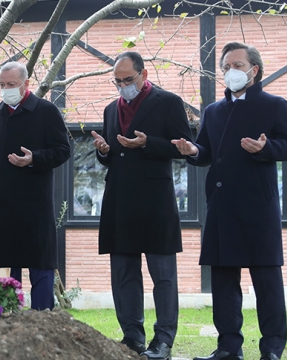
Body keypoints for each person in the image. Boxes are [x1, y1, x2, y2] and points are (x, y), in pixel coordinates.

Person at [173, 42, 287, 360]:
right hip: (222, 207)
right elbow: (205, 153)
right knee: (224, 283)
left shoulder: (275, 105)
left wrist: (265, 149)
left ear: (253, 70)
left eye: (237, 65)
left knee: (267, 283)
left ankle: (271, 348)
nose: (231, 72)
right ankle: (228, 347)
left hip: (259, 207)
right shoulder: (213, 111)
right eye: (226, 66)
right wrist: (192, 152)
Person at [91, 51, 193, 360]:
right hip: (119, 202)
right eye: (117, 81)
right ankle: (132, 336)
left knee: (163, 275)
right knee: (124, 273)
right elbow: (111, 155)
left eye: (128, 80)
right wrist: (104, 151)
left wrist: (147, 143)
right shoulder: (111, 110)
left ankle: (163, 340)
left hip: (155, 201)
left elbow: (183, 147)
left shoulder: (168, 102)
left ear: (144, 74)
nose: (123, 86)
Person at [0, 61, 71, 311]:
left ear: (26, 84)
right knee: (6, 267)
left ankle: (42, 319)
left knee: (39, 264)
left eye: (12, 85)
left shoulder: (46, 111)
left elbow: (63, 150)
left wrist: (34, 158)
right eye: (2, 85)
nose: (6, 89)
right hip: (0, 204)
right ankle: (6, 321)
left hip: (34, 205)